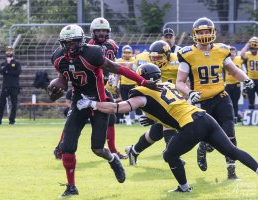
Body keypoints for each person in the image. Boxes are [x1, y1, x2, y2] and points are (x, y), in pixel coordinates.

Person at [77, 63, 258, 192]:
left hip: (191, 124)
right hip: (204, 117)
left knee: (169, 155)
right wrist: (153, 116)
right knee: (232, 151)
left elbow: (119, 108)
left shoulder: (142, 93)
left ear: (142, 78)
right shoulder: (168, 85)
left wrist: (91, 104)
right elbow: (171, 107)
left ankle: (184, 188)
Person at [49, 24, 156, 198]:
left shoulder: (93, 53)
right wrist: (53, 92)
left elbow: (117, 68)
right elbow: (62, 80)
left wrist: (142, 81)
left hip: (101, 100)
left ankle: (113, 159)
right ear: (62, 43)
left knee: (97, 149)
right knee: (67, 147)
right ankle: (71, 186)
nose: (71, 46)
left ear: (81, 40)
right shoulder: (58, 57)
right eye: (67, 43)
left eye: (74, 42)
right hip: (79, 101)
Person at [175, 17, 254, 179]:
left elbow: (233, 71)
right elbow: (179, 82)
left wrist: (245, 78)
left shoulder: (221, 50)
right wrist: (190, 93)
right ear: (195, 34)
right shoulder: (187, 54)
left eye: (207, 31)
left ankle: (231, 172)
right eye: (201, 32)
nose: (204, 34)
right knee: (209, 137)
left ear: (213, 32)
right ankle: (203, 147)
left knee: (230, 134)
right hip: (201, 101)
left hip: (221, 97)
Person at [125, 40, 180, 165]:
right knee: (168, 125)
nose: (155, 60)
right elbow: (139, 85)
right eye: (153, 58)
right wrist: (150, 113)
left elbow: (185, 80)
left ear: (167, 55)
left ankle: (133, 151)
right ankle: (173, 156)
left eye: (159, 57)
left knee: (156, 133)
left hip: (173, 98)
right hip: (155, 98)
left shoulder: (177, 61)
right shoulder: (142, 61)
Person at [87, 17, 127, 158]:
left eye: (104, 30)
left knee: (110, 117)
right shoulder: (86, 44)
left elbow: (114, 63)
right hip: (86, 87)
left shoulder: (112, 46)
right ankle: (61, 148)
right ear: (93, 32)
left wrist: (112, 78)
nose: (102, 33)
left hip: (101, 86)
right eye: (99, 31)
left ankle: (113, 150)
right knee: (76, 118)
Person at [0, 46, 22, 125]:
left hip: (14, 86)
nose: (9, 52)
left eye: (10, 51)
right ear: (5, 52)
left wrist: (7, 71)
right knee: (1, 104)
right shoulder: (3, 63)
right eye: (7, 51)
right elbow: (2, 72)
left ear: (13, 52)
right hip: (5, 86)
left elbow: (17, 73)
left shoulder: (17, 63)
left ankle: (12, 120)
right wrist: (8, 64)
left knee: (14, 104)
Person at [116, 45, 137, 125]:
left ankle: (137, 117)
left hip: (133, 84)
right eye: (125, 52)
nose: (127, 54)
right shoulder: (119, 61)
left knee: (135, 101)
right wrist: (115, 83)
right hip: (124, 84)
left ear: (131, 53)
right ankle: (127, 119)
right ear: (122, 53)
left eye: (128, 52)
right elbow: (117, 74)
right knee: (125, 102)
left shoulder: (135, 60)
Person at [225, 46, 243, 122]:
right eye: (231, 52)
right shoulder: (225, 61)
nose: (232, 54)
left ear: (236, 53)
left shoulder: (239, 59)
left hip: (236, 84)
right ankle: (230, 118)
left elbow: (243, 54)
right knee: (228, 102)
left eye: (233, 52)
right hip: (228, 84)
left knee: (235, 102)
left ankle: (235, 117)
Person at [240, 36, 258, 109]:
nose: (253, 49)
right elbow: (242, 54)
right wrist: (247, 44)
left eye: (254, 47)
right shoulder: (247, 54)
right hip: (249, 79)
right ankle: (251, 115)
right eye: (251, 48)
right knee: (251, 98)